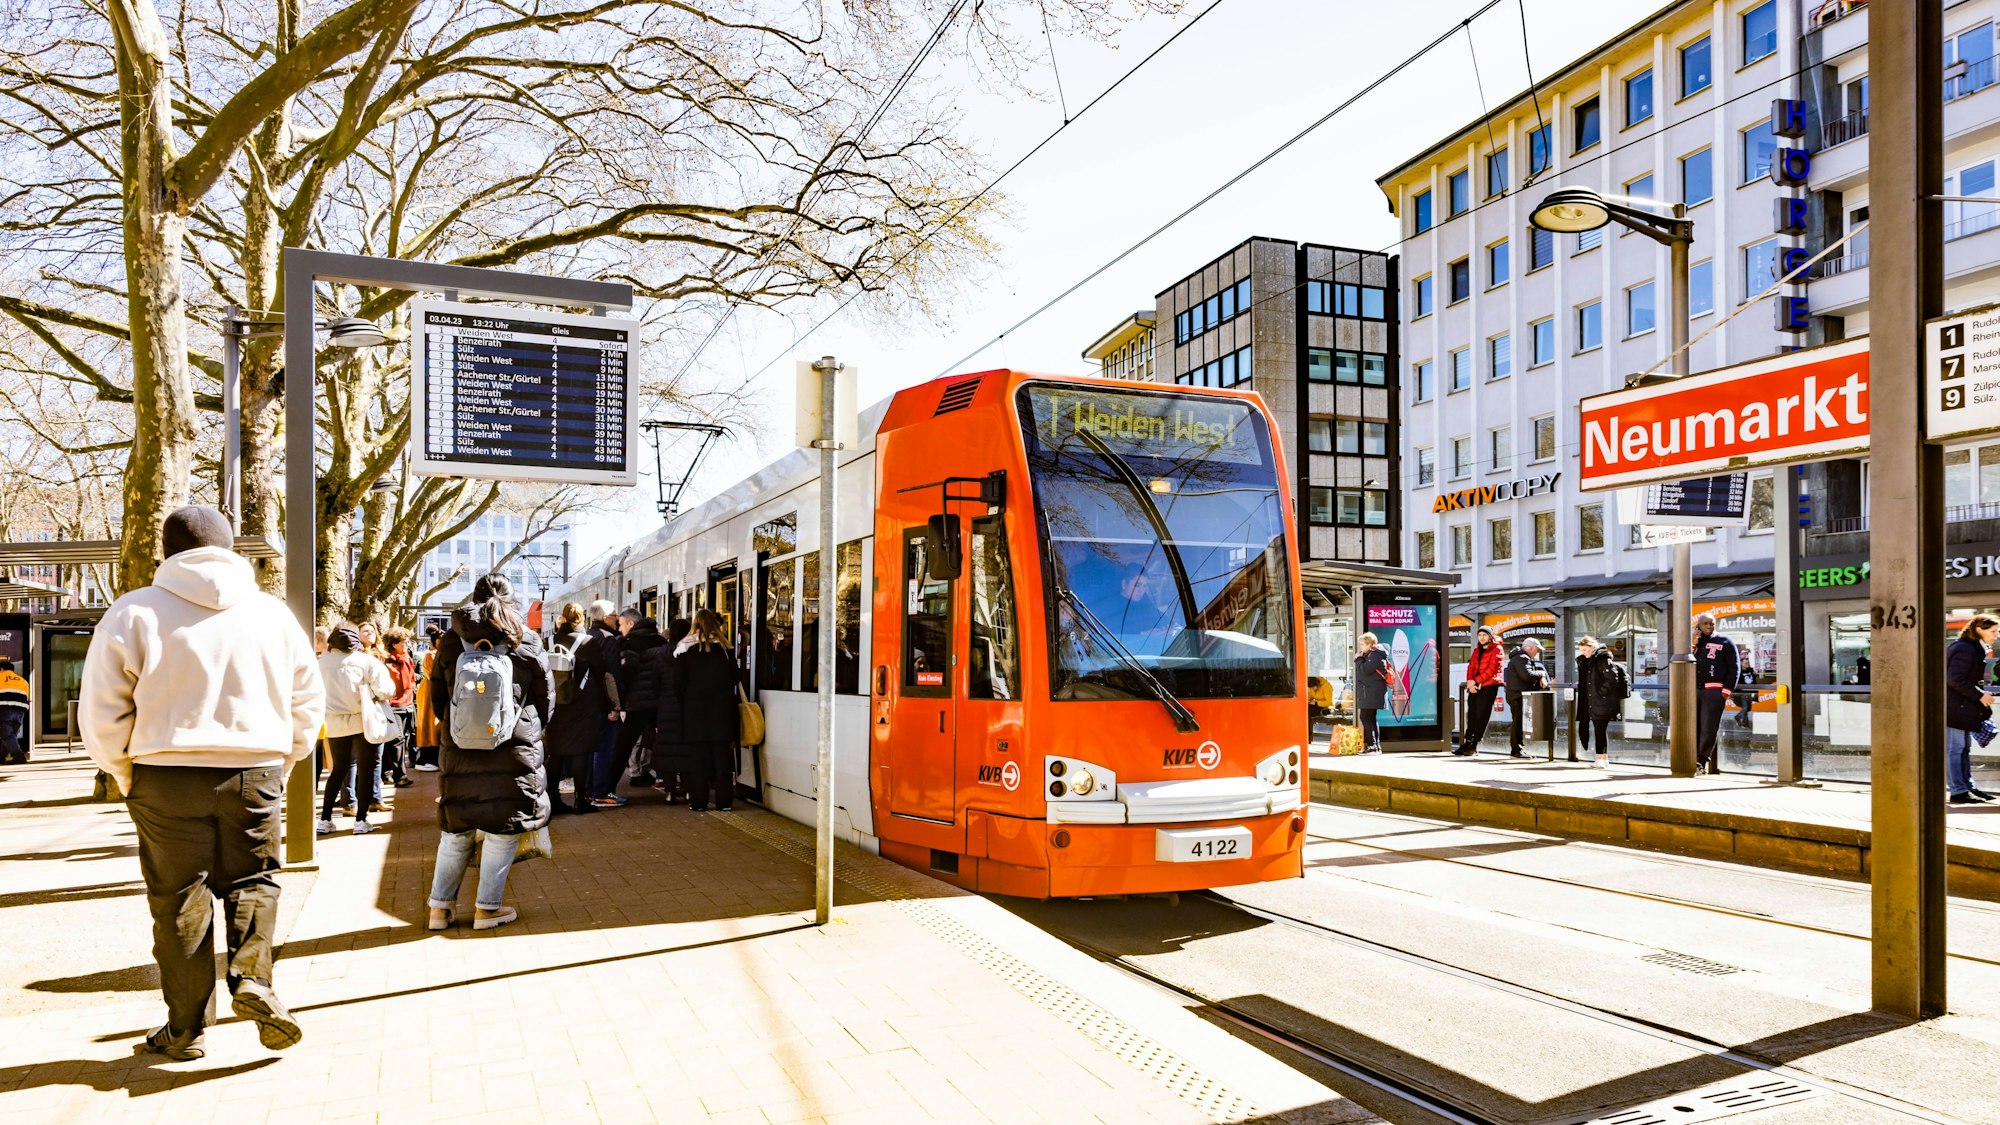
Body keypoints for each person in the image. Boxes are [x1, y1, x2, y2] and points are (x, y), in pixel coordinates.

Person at [78, 505, 322, 1060]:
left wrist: (123, 771)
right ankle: (254, 980)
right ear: (231, 548)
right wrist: (281, 762)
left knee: (178, 899)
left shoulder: (133, 611)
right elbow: (307, 702)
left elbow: (100, 709)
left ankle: (185, 1029)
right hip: (254, 770)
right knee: (255, 881)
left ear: (166, 551)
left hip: (163, 775)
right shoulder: (272, 614)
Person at [427, 574, 552, 931]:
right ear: (511, 600)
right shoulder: (525, 638)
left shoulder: (453, 640)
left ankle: (439, 909)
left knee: (456, 830)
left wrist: (458, 725)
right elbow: (546, 697)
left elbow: (438, 696)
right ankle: (487, 909)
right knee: (503, 828)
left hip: (460, 748)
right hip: (514, 748)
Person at [317, 624, 394, 836]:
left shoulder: (320, 664)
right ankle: (361, 820)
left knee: (338, 770)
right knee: (366, 770)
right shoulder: (367, 662)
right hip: (364, 721)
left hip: (334, 723)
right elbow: (387, 690)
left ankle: (324, 819)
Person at [542, 601, 607, 814]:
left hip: (555, 705)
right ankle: (581, 801)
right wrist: (606, 704)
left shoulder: (548, 642)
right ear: (582, 618)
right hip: (582, 704)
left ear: (562, 617)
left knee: (556, 753)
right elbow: (600, 674)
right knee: (581, 753)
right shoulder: (589, 642)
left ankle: (554, 798)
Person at [674, 609, 741, 810]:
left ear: (695, 624)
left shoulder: (684, 648)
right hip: (722, 712)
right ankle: (724, 802)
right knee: (722, 760)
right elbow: (735, 678)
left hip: (694, 712)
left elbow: (677, 683)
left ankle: (699, 802)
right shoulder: (725, 648)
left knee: (698, 760)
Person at [613, 610, 670, 796]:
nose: (620, 629)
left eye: (621, 624)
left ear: (631, 624)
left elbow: (626, 672)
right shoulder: (662, 642)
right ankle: (670, 787)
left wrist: (622, 699)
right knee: (665, 742)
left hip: (637, 704)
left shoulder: (630, 643)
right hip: (660, 702)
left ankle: (607, 788)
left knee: (623, 746)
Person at [1946, 615, 1999, 806]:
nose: (1997, 635)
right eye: (1993, 631)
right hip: (1955, 708)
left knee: (1963, 749)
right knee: (1955, 749)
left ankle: (1967, 788)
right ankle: (1958, 791)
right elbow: (1954, 679)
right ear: (1979, 630)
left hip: (1960, 707)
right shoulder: (1965, 649)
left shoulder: (1970, 648)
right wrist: (1980, 695)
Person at [583, 600, 626, 807]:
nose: (617, 618)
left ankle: (590, 792)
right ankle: (601, 792)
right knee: (605, 748)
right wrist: (615, 706)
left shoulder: (587, 636)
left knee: (592, 748)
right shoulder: (609, 639)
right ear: (605, 617)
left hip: (589, 702)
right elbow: (612, 675)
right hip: (604, 702)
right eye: (614, 615)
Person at [1691, 613, 1740, 775]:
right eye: (1705, 624)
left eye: (1712, 623)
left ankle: (1701, 761)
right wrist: (1693, 644)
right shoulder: (1694, 642)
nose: (1709, 626)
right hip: (1694, 690)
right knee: (1693, 726)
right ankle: (1691, 758)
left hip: (1714, 691)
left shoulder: (1725, 641)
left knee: (1708, 727)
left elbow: (1734, 667)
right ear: (1698, 626)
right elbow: (1685, 663)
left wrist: (1726, 691)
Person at [653, 618, 692, 803]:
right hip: (686, 708)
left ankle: (669, 792)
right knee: (687, 750)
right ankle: (687, 790)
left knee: (667, 751)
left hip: (665, 709)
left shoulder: (660, 653)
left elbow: (655, 684)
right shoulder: (690, 651)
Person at [1574, 636, 1627, 770]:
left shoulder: (1602, 659)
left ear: (1592, 647)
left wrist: (1600, 693)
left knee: (1599, 730)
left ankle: (1600, 759)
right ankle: (1603, 759)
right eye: (1582, 650)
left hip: (1601, 701)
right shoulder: (1593, 660)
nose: (1583, 653)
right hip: (1598, 701)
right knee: (1600, 730)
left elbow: (1611, 679)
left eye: (1585, 650)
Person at [1453, 627, 1504, 756]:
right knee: (1471, 715)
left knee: (1482, 716)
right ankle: (1467, 741)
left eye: (1484, 635)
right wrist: (1470, 681)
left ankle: (1474, 744)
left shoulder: (1497, 649)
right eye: (1479, 635)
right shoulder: (1477, 650)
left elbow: (1492, 670)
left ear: (1490, 636)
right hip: (1474, 686)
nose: (1481, 637)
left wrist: (1475, 682)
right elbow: (1471, 667)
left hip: (1488, 687)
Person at [381, 628, 419, 788]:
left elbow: (411, 679)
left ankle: (387, 772)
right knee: (397, 739)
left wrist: (412, 687)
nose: (406, 644)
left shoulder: (407, 658)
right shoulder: (386, 660)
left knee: (402, 738)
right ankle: (399, 776)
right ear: (393, 643)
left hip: (407, 704)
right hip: (392, 704)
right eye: (402, 642)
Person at [1503, 638, 1551, 759]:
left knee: (1519, 723)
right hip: (1518, 696)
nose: (1537, 653)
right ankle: (1516, 750)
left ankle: (1517, 749)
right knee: (1518, 723)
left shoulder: (1520, 658)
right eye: (1537, 650)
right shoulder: (1522, 658)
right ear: (1530, 648)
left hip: (1517, 695)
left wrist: (1539, 673)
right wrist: (1542, 674)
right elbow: (1526, 675)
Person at [1352, 633, 1391, 754]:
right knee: (1371, 718)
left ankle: (1372, 745)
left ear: (1370, 644)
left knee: (1365, 717)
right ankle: (1375, 746)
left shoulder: (1374, 655)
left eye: (1362, 644)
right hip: (1371, 691)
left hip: (1371, 692)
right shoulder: (1373, 654)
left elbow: (1365, 670)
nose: (1361, 647)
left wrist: (1358, 658)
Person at [413, 624, 444, 770]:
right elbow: (435, 676)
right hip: (431, 692)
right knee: (430, 724)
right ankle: (427, 758)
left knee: (430, 723)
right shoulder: (432, 655)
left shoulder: (434, 654)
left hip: (430, 691)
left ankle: (428, 757)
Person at [0, 656, 28, 764]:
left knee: (6, 734)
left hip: (4, 709)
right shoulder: (23, 681)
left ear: (2, 669)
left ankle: (19, 756)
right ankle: (1, 756)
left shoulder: (0, 676)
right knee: (9, 735)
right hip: (19, 711)